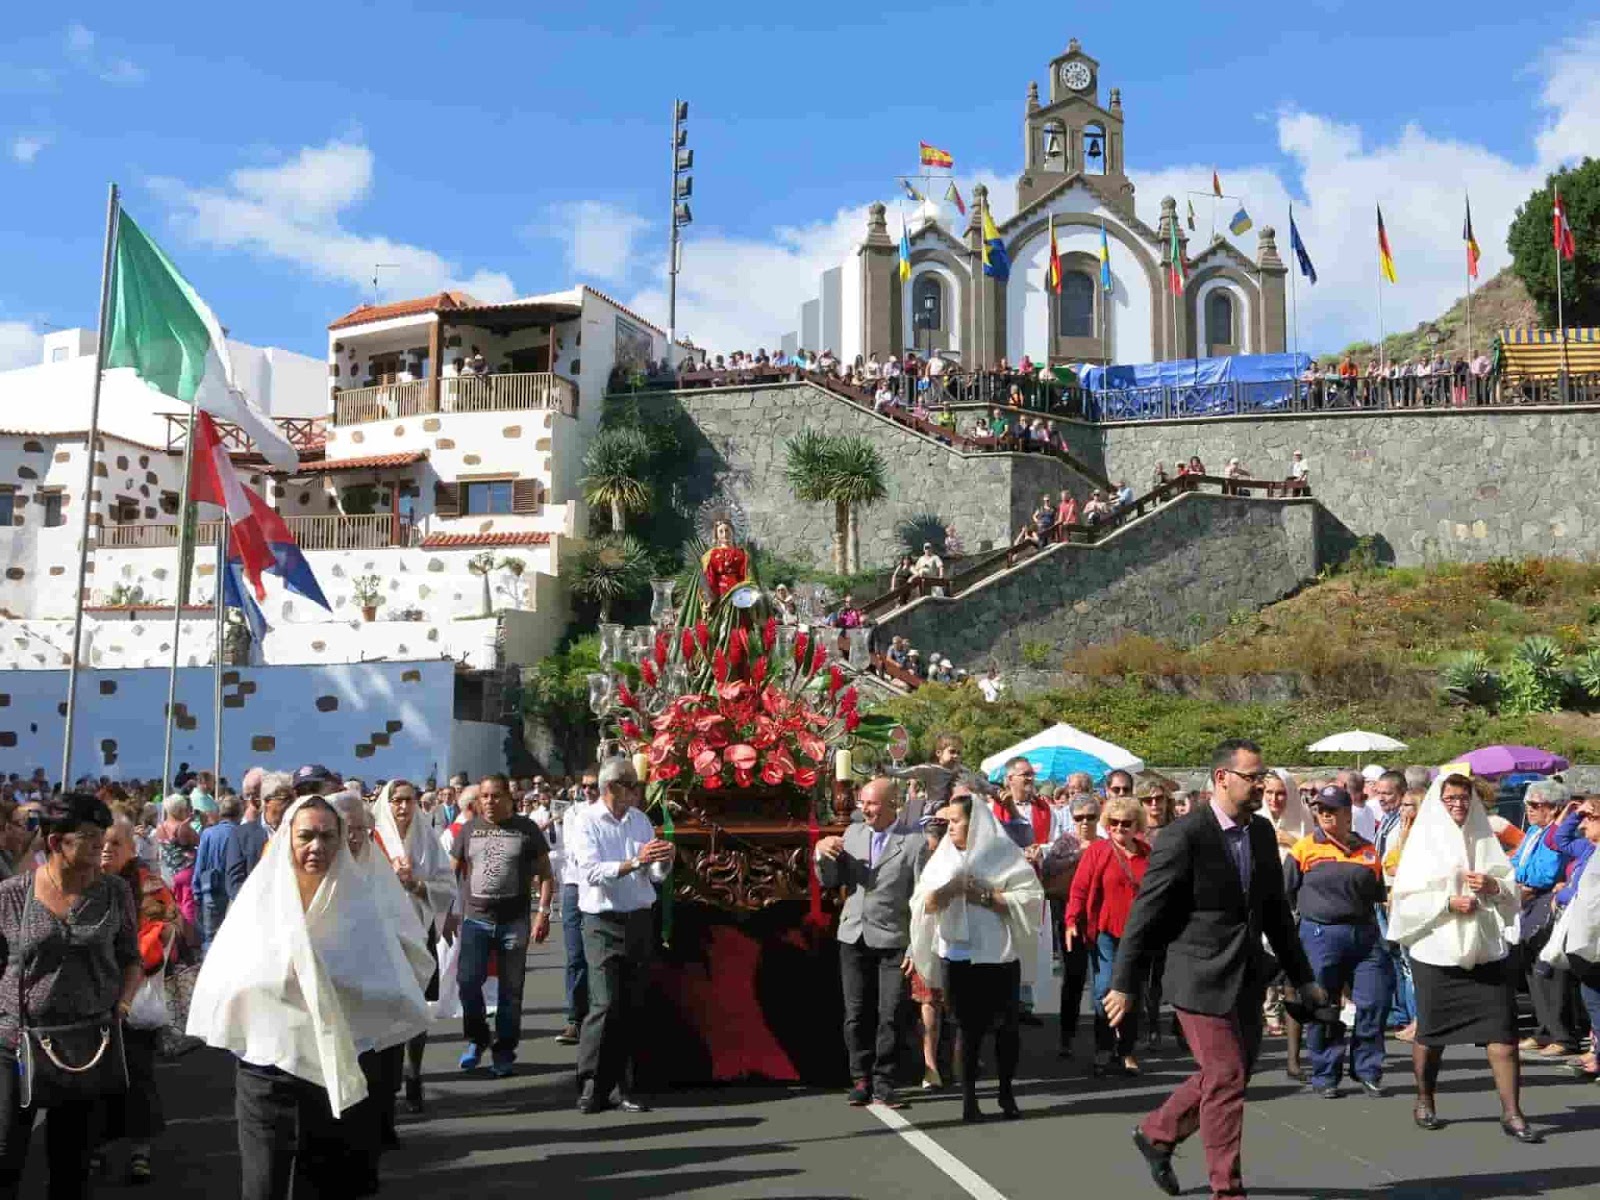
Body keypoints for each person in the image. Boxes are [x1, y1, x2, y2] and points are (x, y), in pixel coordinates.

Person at [1107, 739, 1322, 1200]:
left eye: (1263, 776)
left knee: (1231, 1073)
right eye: (1252, 777)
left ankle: (1156, 1133)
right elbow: (1145, 913)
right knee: (1225, 1077)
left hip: (1245, 973)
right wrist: (1122, 984)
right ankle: (1228, 1190)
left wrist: (1303, 977)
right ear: (1222, 778)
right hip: (1197, 974)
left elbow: (1275, 914)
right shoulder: (1183, 836)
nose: (1261, 785)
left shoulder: (1261, 833)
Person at [187, 796, 430, 1200]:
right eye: (305, 836)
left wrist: (331, 990)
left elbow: (389, 983)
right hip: (268, 1070)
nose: (316, 846)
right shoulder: (259, 903)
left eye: (326, 836)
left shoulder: (360, 906)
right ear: (287, 841)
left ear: (340, 842)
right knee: (264, 1187)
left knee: (325, 1187)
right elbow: (229, 979)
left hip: (338, 1070)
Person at [1387, 773, 1544, 1142]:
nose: (1458, 804)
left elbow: (1508, 887)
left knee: (1502, 1032)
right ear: (1438, 802)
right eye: (1450, 798)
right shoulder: (1422, 843)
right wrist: (1446, 903)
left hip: (1484, 949)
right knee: (1432, 1034)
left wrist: (1493, 887)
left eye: (1464, 797)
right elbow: (1404, 900)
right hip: (1437, 951)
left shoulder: (1484, 836)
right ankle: (1425, 1099)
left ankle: (1512, 1112)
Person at [0, 793, 141, 1199]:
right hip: (16, 1043)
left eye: (103, 836)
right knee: (6, 1156)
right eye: (90, 837)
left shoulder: (115, 892)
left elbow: (130, 958)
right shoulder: (11, 895)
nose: (101, 844)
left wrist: (124, 1002)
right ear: (56, 842)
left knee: (73, 1167)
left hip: (86, 1045)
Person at [909, 788, 1043, 1121]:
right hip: (957, 955)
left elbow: (1028, 897)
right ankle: (969, 1098)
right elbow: (923, 902)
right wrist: (951, 888)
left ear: (976, 822)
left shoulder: (1002, 853)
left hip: (998, 954)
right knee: (966, 1030)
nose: (949, 827)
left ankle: (1006, 1093)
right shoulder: (943, 857)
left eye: (956, 821)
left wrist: (983, 895)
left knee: (1006, 1028)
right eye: (947, 821)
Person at [572, 758, 675, 1114]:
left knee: (632, 1004)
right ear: (612, 787)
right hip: (602, 921)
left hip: (638, 919)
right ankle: (591, 1083)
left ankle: (624, 1085)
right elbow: (591, 872)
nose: (638, 790)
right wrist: (635, 861)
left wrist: (663, 857)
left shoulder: (641, 820)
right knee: (604, 1003)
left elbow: (656, 876)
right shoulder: (585, 821)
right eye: (632, 785)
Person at [815, 778, 924, 1108]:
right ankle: (860, 1077)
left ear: (894, 805)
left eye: (873, 804)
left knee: (890, 1013)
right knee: (855, 1013)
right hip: (854, 934)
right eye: (863, 803)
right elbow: (833, 882)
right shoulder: (853, 834)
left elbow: (922, 900)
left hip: (893, 939)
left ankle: (885, 1080)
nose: (866, 809)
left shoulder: (915, 843)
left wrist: (917, 947)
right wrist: (821, 856)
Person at [1283, 785, 1391, 1098]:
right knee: (1324, 1006)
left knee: (1375, 1001)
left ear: (1348, 814)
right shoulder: (1304, 848)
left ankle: (1367, 1069)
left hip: (1364, 934)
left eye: (1332, 810)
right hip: (1320, 935)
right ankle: (1326, 1074)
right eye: (1321, 810)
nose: (1326, 815)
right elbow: (1284, 891)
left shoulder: (1369, 851)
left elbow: (1377, 895)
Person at [94, 816, 182, 1185]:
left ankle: (139, 1150)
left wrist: (123, 972)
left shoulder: (148, 885)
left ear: (132, 847)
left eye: (116, 843)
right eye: (101, 842)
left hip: (132, 994)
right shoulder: (85, 881)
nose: (106, 849)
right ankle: (95, 1145)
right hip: (91, 994)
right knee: (94, 1078)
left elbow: (161, 932)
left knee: (137, 1076)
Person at [451, 774, 553, 1078]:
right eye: (484, 796)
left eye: (496, 796)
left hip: (514, 923)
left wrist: (543, 913)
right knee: (468, 983)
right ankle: (477, 1038)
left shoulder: (527, 829)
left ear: (510, 798)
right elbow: (451, 874)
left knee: (511, 991)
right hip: (475, 921)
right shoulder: (469, 830)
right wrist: (448, 913)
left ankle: (504, 1050)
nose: (489, 802)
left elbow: (546, 874)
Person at [371, 779, 456, 1114]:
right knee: (387, 1008)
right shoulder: (371, 837)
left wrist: (415, 885)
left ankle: (414, 1073)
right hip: (381, 935)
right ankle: (384, 1081)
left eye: (408, 800)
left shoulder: (427, 837)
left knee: (418, 1008)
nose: (402, 807)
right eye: (395, 801)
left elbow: (446, 884)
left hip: (419, 930)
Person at [1066, 792, 1150, 1077]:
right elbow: (1078, 889)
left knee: (1131, 992)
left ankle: (1125, 1050)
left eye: (1126, 823)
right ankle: (1103, 1047)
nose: (1119, 828)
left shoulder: (1146, 854)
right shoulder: (1097, 852)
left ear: (1135, 824)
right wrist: (1071, 921)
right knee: (1104, 991)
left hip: (1137, 935)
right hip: (1104, 932)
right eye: (1113, 822)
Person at [1510, 780, 1579, 1058]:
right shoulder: (1534, 833)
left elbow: (1547, 872)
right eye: (1528, 804)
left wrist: (1523, 878)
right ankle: (1544, 1029)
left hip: (1546, 900)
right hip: (1529, 900)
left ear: (1555, 808)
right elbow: (1517, 864)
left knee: (1550, 966)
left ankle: (1564, 1034)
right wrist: (1517, 877)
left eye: (1537, 805)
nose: (1530, 810)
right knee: (1531, 965)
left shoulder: (1557, 835)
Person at [1538, 795, 1600, 1080]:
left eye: (1591, 818)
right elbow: (1558, 840)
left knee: (1593, 996)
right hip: (1579, 928)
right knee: (1591, 996)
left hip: (1592, 932)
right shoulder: (1588, 847)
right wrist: (1575, 811)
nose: (1584, 824)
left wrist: (1563, 892)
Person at [555, 775, 601, 1046]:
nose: (588, 790)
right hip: (574, 884)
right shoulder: (573, 813)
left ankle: (600, 1017)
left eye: (593, 785)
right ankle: (575, 1018)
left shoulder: (611, 812)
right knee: (575, 955)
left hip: (600, 884)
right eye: (584, 786)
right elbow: (573, 850)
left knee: (601, 953)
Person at [192, 791, 243, 951]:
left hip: (211, 889)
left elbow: (200, 864)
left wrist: (196, 891)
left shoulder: (208, 833)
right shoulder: (243, 833)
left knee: (210, 940)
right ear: (239, 813)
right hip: (236, 892)